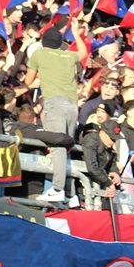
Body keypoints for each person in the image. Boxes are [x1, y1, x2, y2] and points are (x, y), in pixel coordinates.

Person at [24, 29, 81, 200]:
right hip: (72, 105)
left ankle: (57, 190)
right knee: (67, 146)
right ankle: (70, 194)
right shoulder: (69, 55)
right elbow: (84, 53)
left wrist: (42, 77)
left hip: (54, 104)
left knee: (58, 146)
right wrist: (76, 32)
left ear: (43, 41)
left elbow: (28, 81)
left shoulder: (39, 54)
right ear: (60, 43)